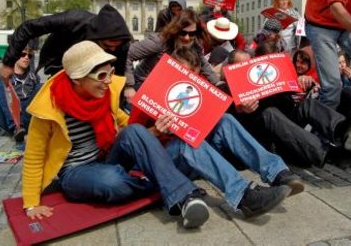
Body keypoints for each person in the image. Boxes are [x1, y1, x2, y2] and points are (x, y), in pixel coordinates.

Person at [22, 41, 210, 229]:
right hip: (75, 171)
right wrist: (31, 204)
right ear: (78, 78)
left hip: (106, 158)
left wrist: (154, 130)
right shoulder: (49, 108)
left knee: (134, 131)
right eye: (101, 75)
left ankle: (181, 194)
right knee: (112, 181)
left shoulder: (103, 94)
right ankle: (170, 182)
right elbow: (34, 157)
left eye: (110, 73)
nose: (109, 81)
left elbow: (129, 128)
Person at [129, 46, 304, 218]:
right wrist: (154, 132)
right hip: (164, 162)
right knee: (186, 142)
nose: (187, 81)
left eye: (193, 77)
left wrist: (241, 109)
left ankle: (276, 172)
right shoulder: (151, 91)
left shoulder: (198, 89)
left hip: (196, 158)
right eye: (182, 74)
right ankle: (244, 197)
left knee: (224, 120)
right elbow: (132, 141)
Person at [221, 49, 351, 168]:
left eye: (248, 65)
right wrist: (240, 109)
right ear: (229, 68)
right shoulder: (224, 90)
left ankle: (342, 129)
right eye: (239, 67)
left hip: (284, 133)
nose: (244, 69)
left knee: (305, 105)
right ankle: (332, 155)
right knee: (269, 114)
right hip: (258, 140)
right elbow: (224, 124)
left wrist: (297, 84)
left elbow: (287, 106)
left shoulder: (259, 80)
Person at [0, 4, 132, 80]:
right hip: (59, 62)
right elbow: (28, 27)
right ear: (97, 37)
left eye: (116, 47)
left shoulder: (121, 43)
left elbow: (118, 78)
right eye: (107, 47)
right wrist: (9, 63)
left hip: (89, 68)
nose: (112, 50)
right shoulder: (72, 20)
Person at [124, 9, 217, 103]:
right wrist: (129, 86)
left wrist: (218, 84)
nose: (187, 38)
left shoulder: (195, 45)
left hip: (168, 89)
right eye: (183, 33)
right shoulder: (159, 42)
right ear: (176, 30)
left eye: (192, 34)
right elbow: (127, 53)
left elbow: (205, 66)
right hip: (143, 86)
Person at [0, 48, 41, 142]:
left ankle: (24, 128)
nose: (26, 58)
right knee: (2, 82)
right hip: (8, 116)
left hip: (26, 116)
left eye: (29, 56)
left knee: (41, 87)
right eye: (23, 54)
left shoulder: (34, 77)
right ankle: (16, 127)